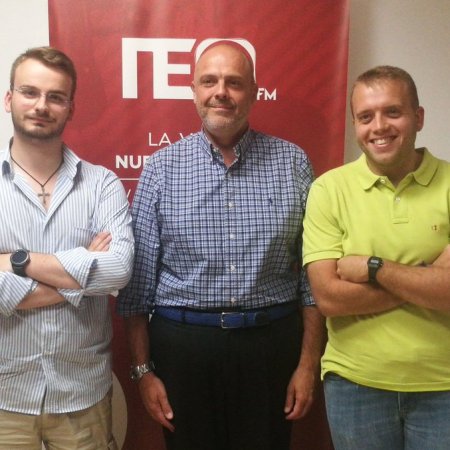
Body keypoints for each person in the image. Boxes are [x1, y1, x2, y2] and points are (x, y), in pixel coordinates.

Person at [117, 43, 325, 450]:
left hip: (270, 349)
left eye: (234, 82)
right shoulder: (161, 169)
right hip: (183, 351)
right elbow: (137, 288)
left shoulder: (292, 162)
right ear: (194, 90)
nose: (221, 92)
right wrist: (143, 371)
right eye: (209, 81)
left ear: (254, 92)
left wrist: (307, 364)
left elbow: (311, 278)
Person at [303, 65, 450, 450]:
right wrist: (427, 278)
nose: (379, 126)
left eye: (393, 112)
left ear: (418, 117)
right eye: (366, 116)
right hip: (355, 386)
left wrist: (374, 268)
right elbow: (329, 298)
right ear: (355, 124)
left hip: (443, 387)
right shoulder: (328, 190)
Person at [0, 46, 134, 449]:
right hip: (5, 396)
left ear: (70, 108)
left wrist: (17, 261)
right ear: (9, 99)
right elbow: (99, 276)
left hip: (81, 394)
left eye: (55, 97)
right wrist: (81, 279)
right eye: (30, 92)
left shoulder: (102, 184)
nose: (41, 105)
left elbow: (118, 270)